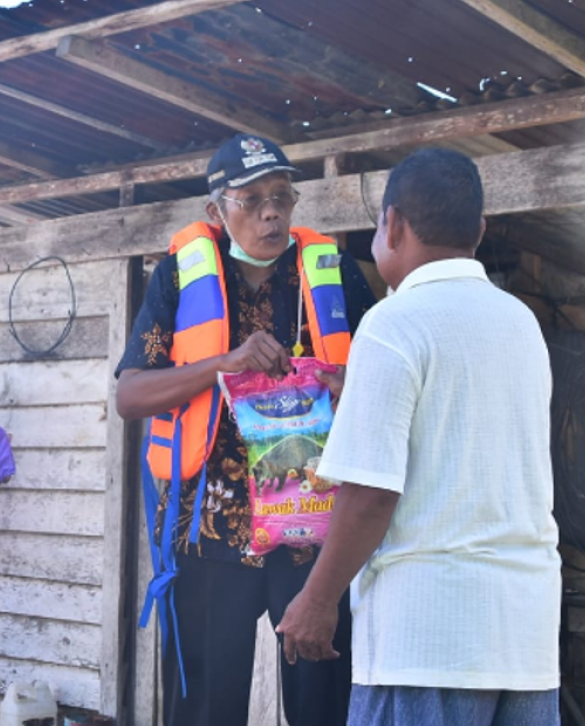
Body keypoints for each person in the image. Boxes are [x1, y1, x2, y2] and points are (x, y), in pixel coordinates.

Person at [277, 148, 561, 725]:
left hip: (427, 643)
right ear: (478, 231)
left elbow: (370, 496)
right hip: (526, 639)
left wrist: (317, 599)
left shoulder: (393, 321)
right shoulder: (520, 322)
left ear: (393, 224)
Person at [115, 134, 376, 726]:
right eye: (252, 199)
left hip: (315, 537)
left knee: (324, 705)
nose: (271, 211)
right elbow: (130, 394)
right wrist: (220, 364)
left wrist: (347, 385)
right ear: (216, 211)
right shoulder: (178, 279)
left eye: (282, 196)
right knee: (204, 711)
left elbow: (388, 384)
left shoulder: (333, 275)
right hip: (208, 537)